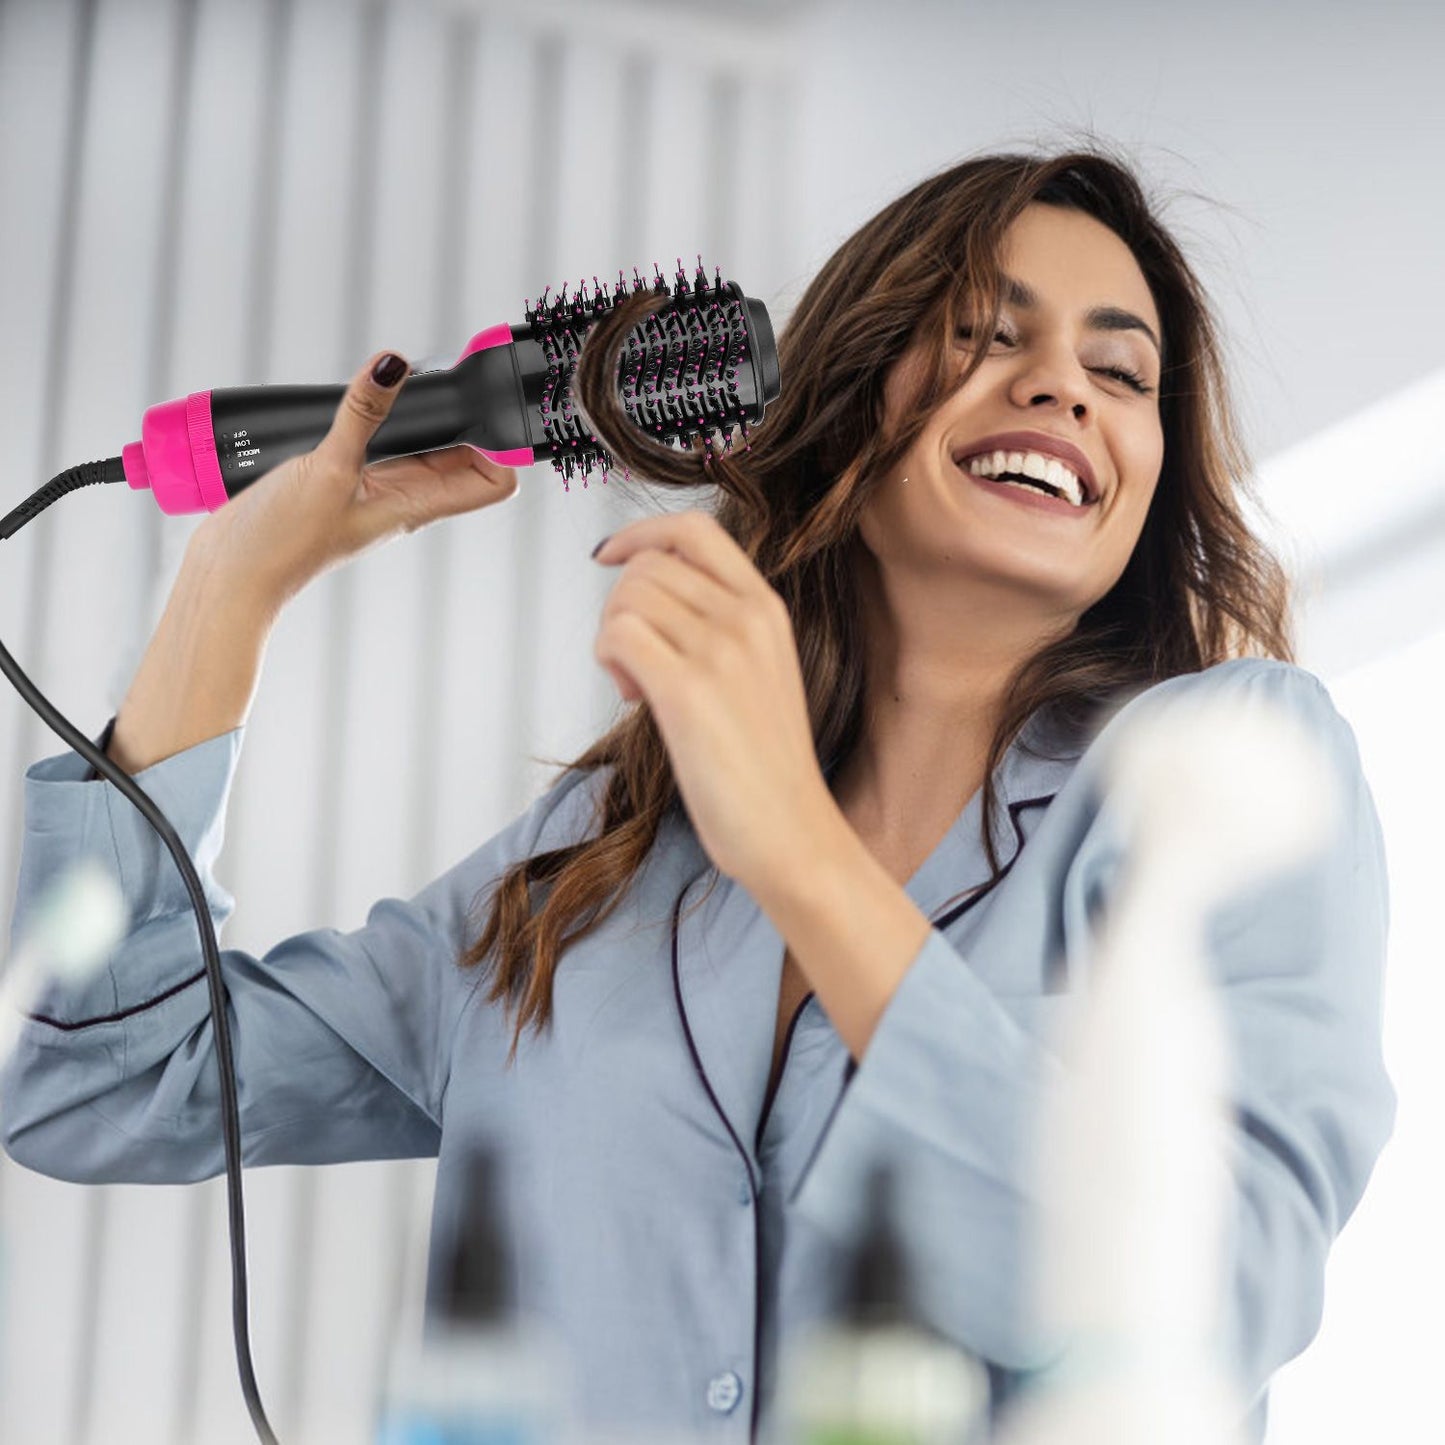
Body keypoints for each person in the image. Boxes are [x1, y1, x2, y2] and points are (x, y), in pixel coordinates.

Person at [0, 145, 1395, 1444]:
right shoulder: (594, 864)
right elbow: (97, 1077)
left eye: (1122, 370)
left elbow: (1206, 1300)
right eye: (983, 333)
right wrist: (230, 586)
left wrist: (796, 847)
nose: (1063, 388)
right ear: (845, 398)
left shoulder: (1225, 773)